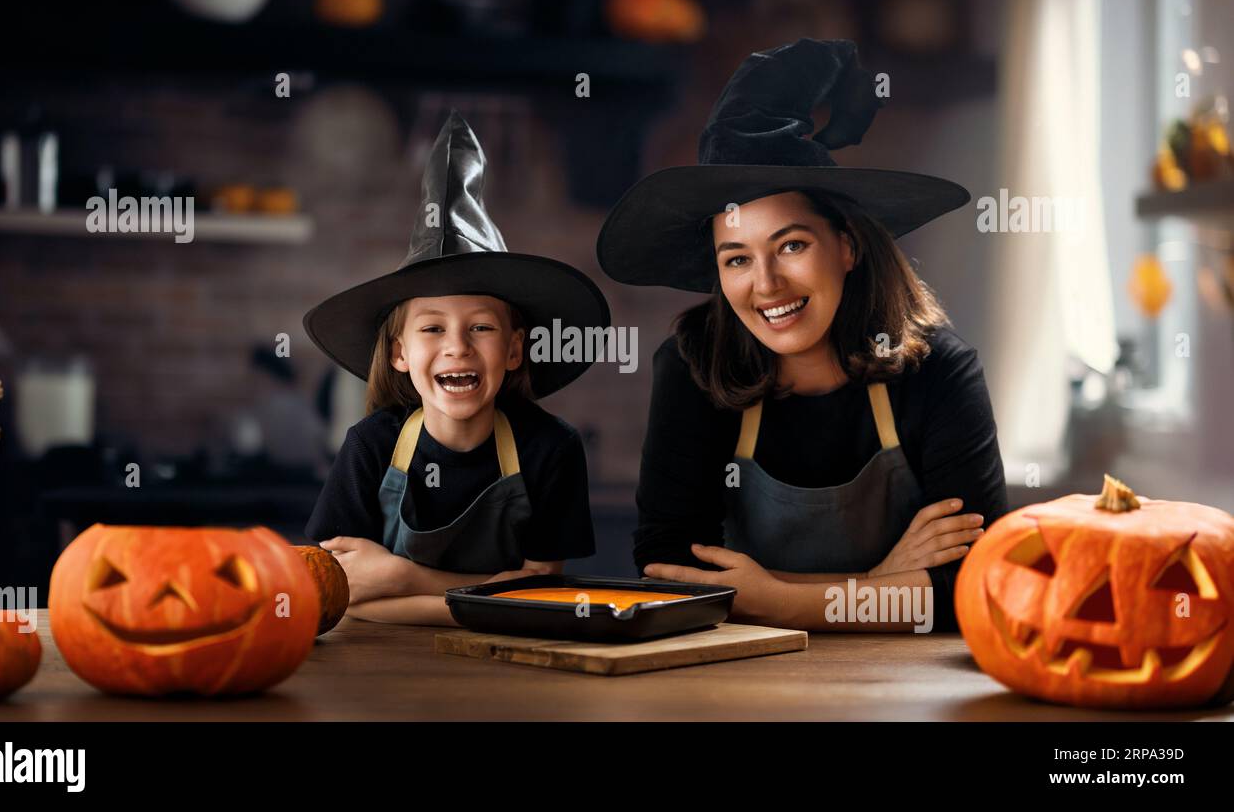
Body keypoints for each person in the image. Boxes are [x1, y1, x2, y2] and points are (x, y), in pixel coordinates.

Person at [596, 38, 1008, 633]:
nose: (766, 284)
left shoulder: (938, 370)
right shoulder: (692, 367)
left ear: (847, 246)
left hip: (899, 696)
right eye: (736, 259)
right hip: (734, 689)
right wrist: (882, 585)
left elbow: (977, 587)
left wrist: (777, 599)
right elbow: (671, 574)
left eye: (791, 245)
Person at [303, 111, 609, 626]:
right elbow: (341, 591)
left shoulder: (551, 449)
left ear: (514, 351)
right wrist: (489, 597)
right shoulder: (370, 446)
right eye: (432, 329)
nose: (457, 347)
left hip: (516, 674)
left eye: (481, 328)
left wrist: (402, 579)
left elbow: (539, 596)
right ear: (399, 353)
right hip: (379, 677)